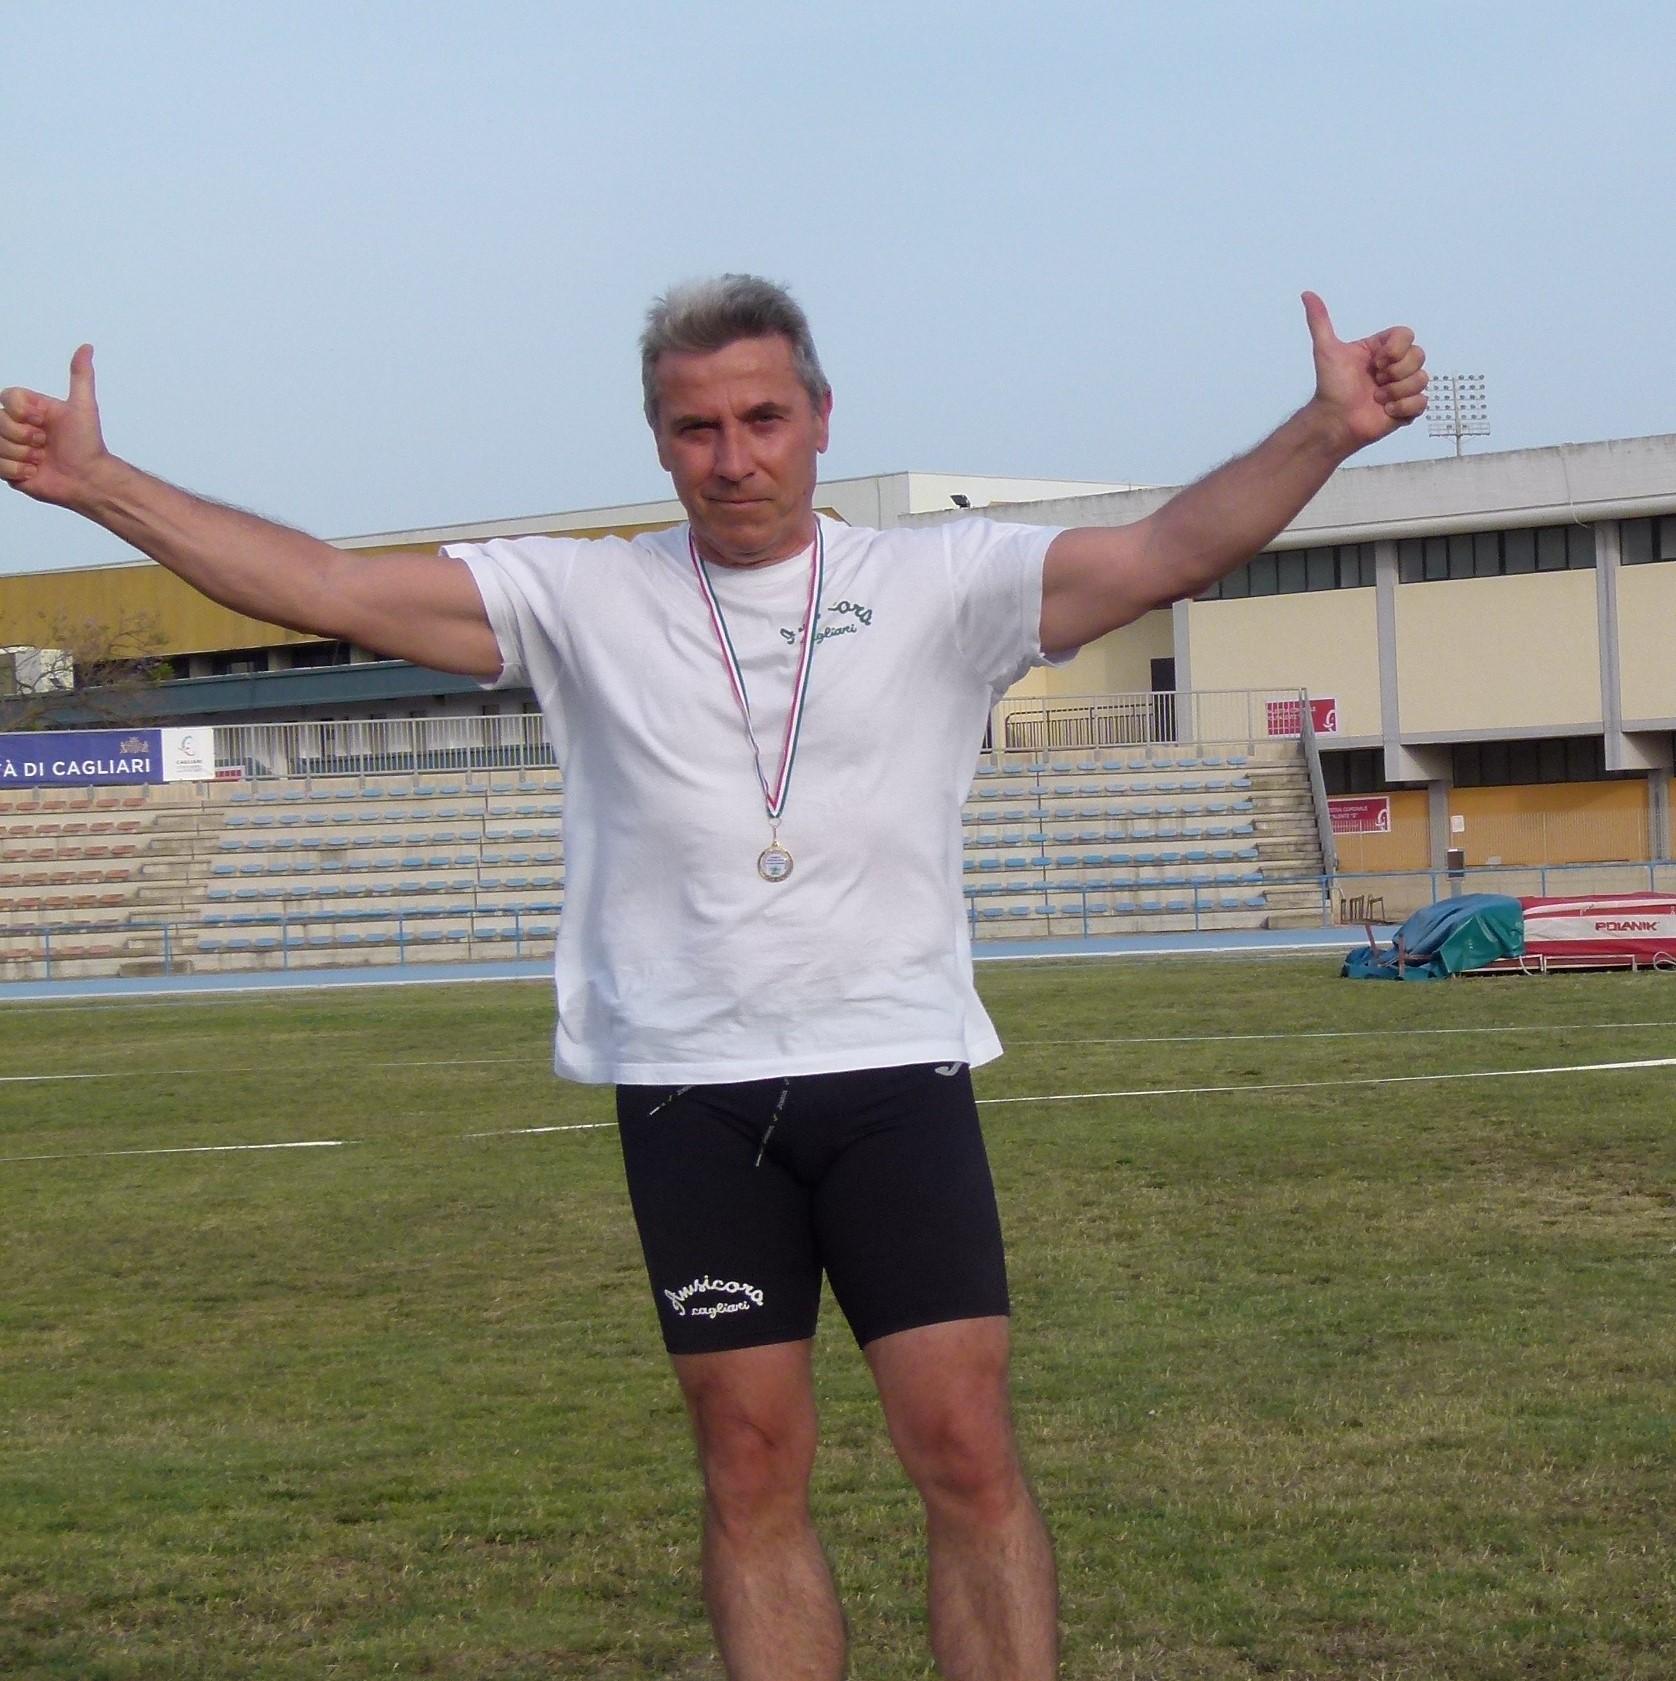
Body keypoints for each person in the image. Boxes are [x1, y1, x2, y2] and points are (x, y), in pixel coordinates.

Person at [1, 277, 1426, 1680]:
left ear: (820, 419)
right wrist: (100, 482)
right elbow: (323, 585)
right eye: (696, 428)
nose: (731, 457)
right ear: (659, 439)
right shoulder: (580, 595)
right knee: (749, 1465)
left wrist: (1328, 428)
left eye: (761, 419)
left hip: (891, 1069)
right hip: (691, 1089)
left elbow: (1167, 549)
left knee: (963, 1447)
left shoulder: (940, 582)